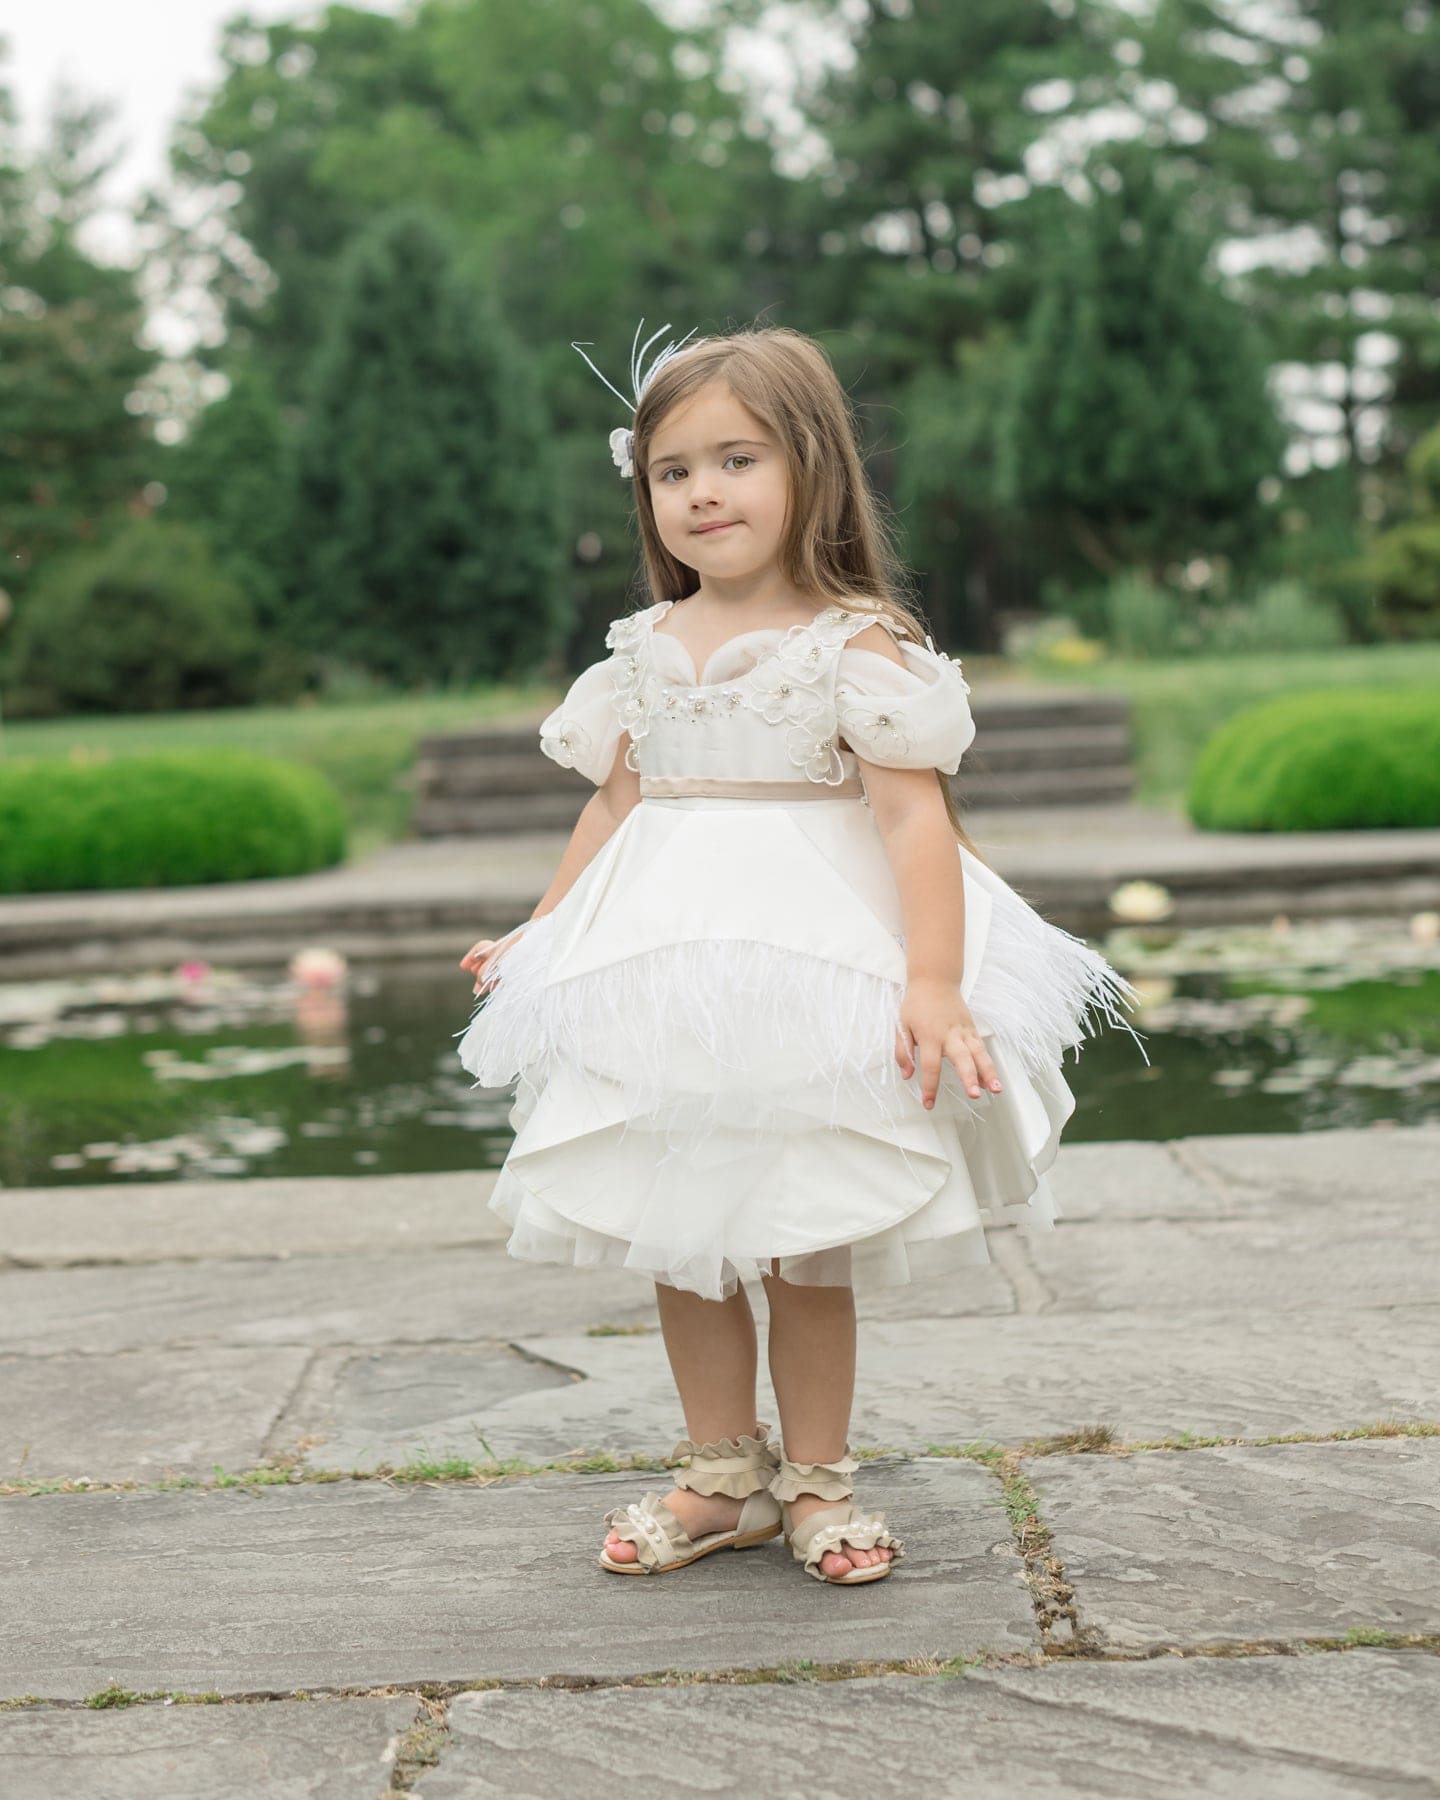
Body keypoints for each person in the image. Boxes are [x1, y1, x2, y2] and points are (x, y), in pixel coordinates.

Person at [456, 321, 1146, 1587]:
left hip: (811, 970)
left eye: (736, 460)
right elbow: (612, 808)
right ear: (646, 494)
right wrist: (545, 932)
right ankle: (724, 1474)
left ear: (811, 471)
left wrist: (931, 984)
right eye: (673, 472)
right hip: (666, 970)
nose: (703, 492)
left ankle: (819, 1480)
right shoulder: (640, 653)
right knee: (684, 1226)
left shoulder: (851, 644)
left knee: (800, 1233)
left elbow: (910, 819)